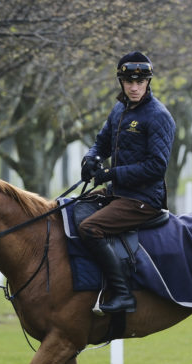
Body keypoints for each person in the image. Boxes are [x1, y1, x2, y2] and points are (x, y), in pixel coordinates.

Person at [78, 51, 176, 314]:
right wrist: (91, 158)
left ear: (148, 82)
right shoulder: (120, 109)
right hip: (119, 193)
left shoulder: (158, 116)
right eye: (129, 82)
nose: (134, 87)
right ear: (121, 82)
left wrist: (111, 173)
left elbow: (157, 167)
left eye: (140, 82)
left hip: (143, 200)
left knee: (89, 228)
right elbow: (102, 142)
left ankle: (123, 295)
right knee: (71, 209)